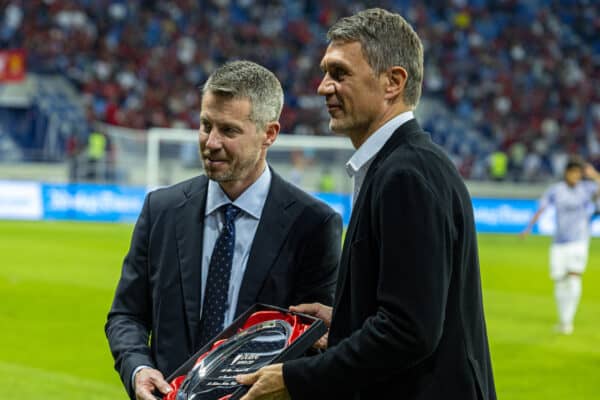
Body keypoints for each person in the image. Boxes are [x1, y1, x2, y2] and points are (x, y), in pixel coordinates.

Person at [237, 8, 496, 400]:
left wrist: (295, 378)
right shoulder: (400, 165)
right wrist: (343, 318)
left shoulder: (405, 174)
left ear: (393, 82)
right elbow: (405, 308)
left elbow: (408, 330)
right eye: (325, 72)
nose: (323, 87)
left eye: (339, 74)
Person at [105, 60, 343, 400]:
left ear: (269, 134)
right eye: (205, 125)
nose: (211, 142)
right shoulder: (161, 210)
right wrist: (138, 369)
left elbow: (317, 339)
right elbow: (126, 315)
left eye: (229, 131)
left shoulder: (313, 225)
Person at [521, 156, 600, 334]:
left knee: (573, 277)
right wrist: (528, 228)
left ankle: (567, 321)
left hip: (579, 240)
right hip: (559, 242)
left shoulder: (587, 189)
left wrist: (594, 175)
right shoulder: (555, 191)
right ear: (566, 173)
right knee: (559, 280)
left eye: (578, 173)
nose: (576, 176)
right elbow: (542, 208)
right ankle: (563, 318)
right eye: (573, 172)